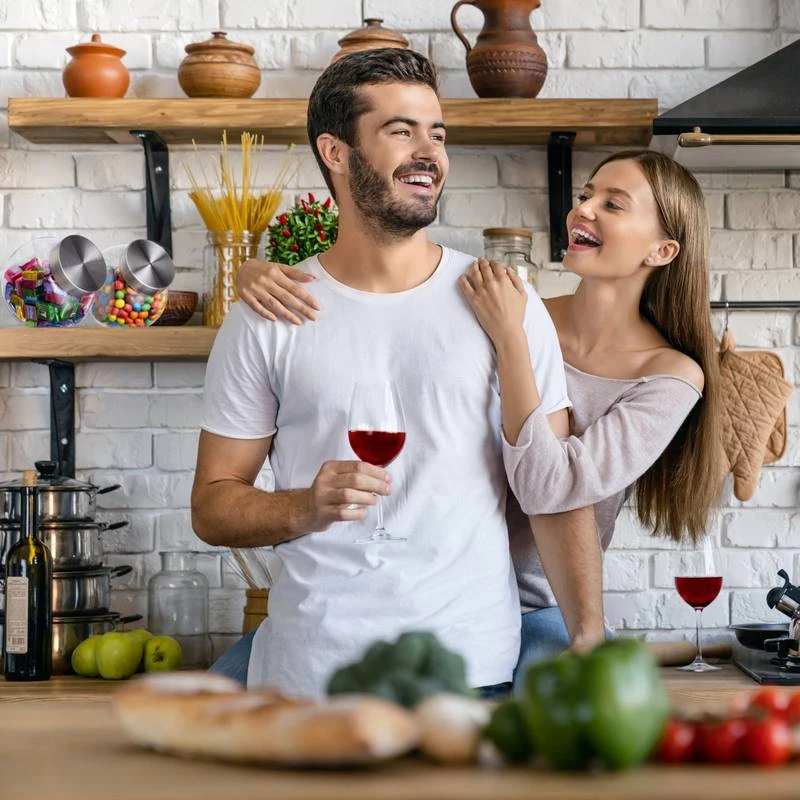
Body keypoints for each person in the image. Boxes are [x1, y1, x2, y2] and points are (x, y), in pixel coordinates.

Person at [192, 47, 605, 698]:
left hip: (471, 676)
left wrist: (590, 639)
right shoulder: (270, 315)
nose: (429, 151)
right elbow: (213, 507)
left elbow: (553, 487)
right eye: (400, 131)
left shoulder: (504, 304)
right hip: (308, 680)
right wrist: (305, 506)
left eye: (436, 133)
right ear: (336, 152)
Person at [236, 148, 724, 681]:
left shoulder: (668, 375)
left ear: (661, 249)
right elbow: (376, 308)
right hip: (426, 597)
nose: (583, 210)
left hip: (540, 609)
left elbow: (552, 486)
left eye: (613, 204)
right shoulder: (506, 306)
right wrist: (259, 277)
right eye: (586, 195)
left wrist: (513, 340)